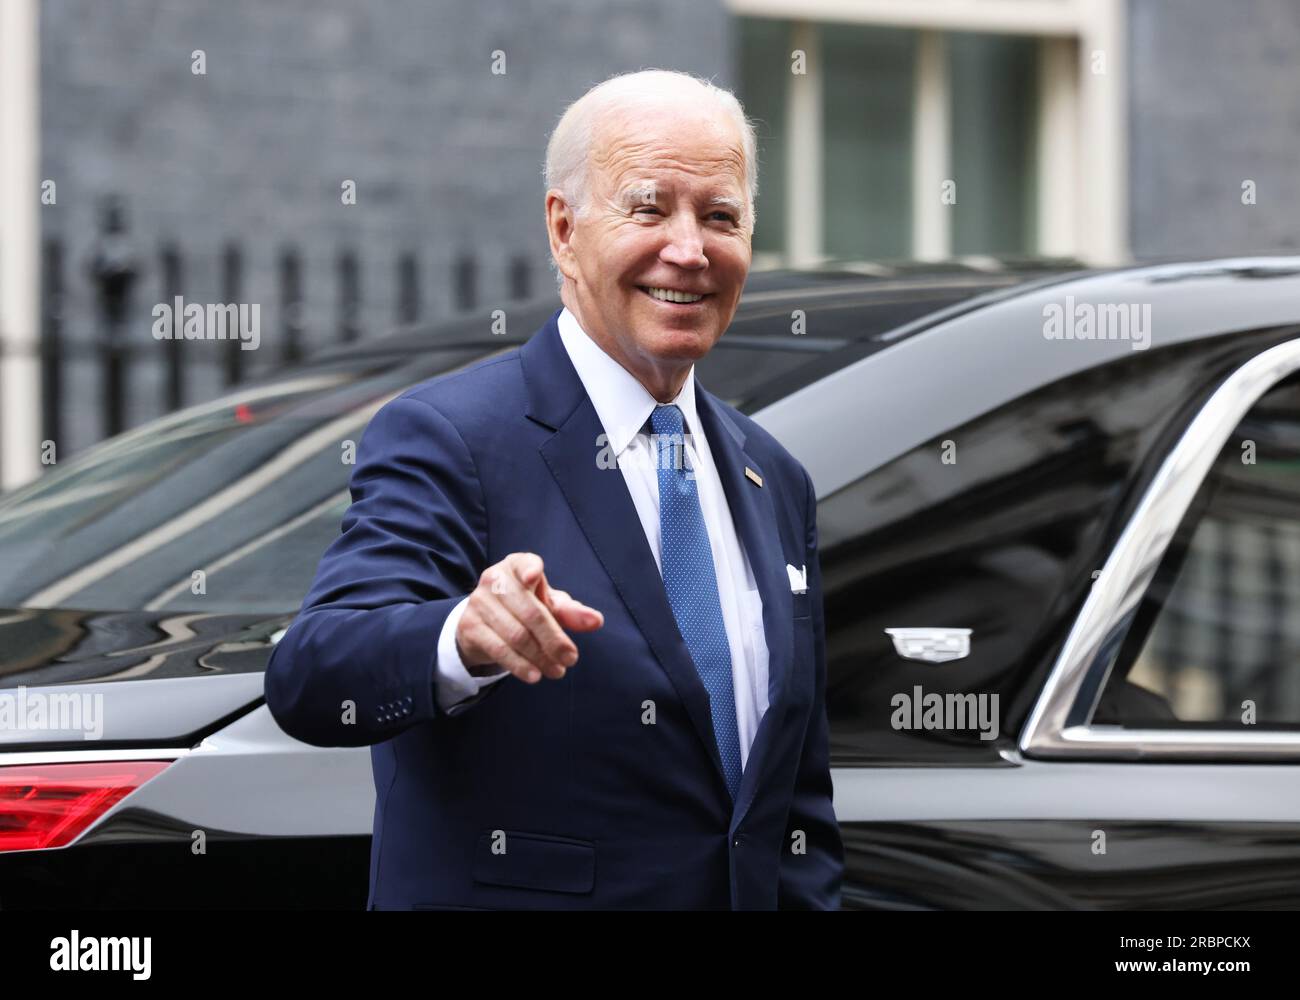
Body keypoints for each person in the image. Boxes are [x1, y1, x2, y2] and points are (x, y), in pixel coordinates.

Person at [264, 68, 843, 910]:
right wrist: (461, 636)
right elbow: (312, 677)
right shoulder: (454, 436)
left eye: (721, 216)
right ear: (564, 230)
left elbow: (795, 805)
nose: (689, 249)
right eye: (648, 208)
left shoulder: (773, 476)